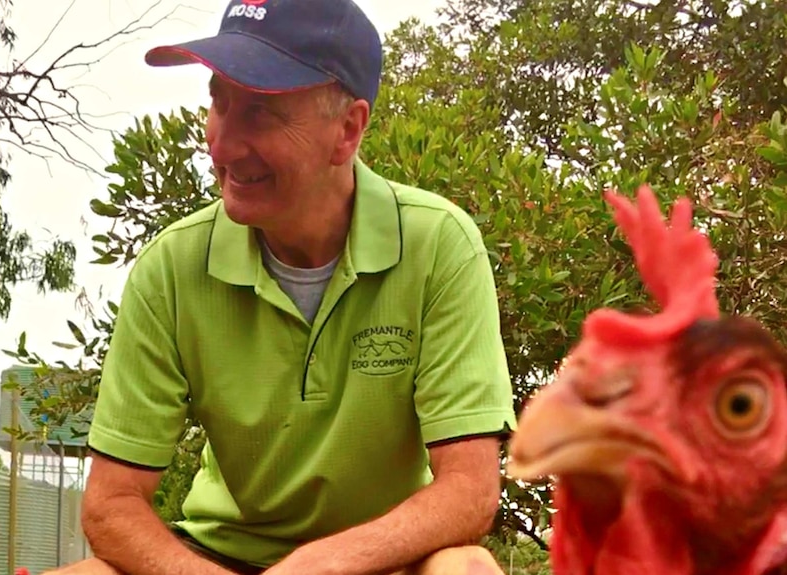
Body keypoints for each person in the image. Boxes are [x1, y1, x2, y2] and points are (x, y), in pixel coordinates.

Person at [52, 0, 518, 574]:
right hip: (219, 559)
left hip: (380, 560)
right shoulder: (171, 268)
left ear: (347, 130)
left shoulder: (439, 245)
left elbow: (469, 490)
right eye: (219, 106)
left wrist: (321, 566)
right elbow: (110, 504)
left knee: (465, 570)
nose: (222, 146)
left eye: (260, 113)